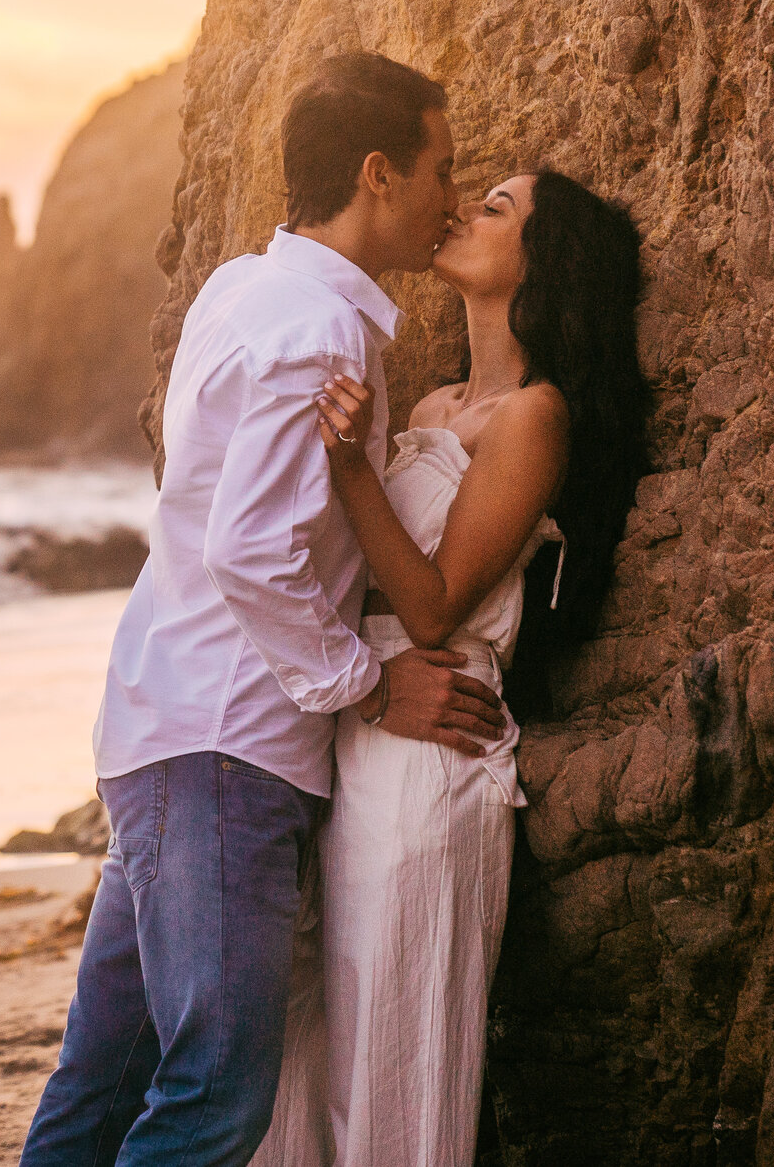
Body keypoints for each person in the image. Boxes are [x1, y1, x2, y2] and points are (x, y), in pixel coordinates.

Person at [19, 52, 508, 1167]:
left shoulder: (240, 288)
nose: (450, 190)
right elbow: (250, 548)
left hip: (162, 720)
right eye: (442, 167)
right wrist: (371, 683)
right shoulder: (317, 331)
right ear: (377, 174)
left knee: (101, 1081)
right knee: (212, 1097)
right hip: (226, 751)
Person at [250, 167, 649, 1167]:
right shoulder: (432, 399)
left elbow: (431, 602)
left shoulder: (534, 416)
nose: (468, 210)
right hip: (355, 720)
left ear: (542, 260)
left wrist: (349, 467)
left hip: (432, 743)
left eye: (498, 208)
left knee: (396, 1048)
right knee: (311, 1032)